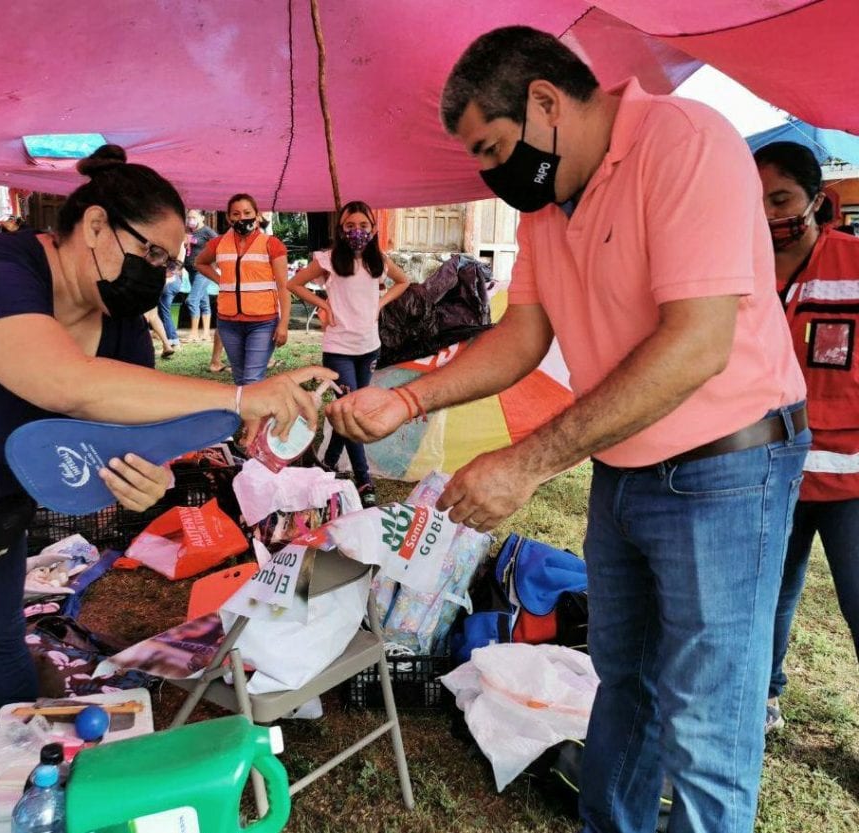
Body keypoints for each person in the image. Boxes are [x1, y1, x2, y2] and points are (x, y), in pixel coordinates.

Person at [328, 27, 807, 833]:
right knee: (624, 682)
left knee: (707, 722)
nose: (489, 172)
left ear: (546, 102)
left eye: (492, 147)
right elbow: (522, 334)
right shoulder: (550, 208)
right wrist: (407, 400)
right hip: (624, 467)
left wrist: (529, 462)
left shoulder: (686, 144)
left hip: (728, 467)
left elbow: (696, 343)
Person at [0, 144, 333, 833]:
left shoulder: (123, 329)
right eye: (153, 254)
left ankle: (30, 794)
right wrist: (242, 396)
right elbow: (64, 382)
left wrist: (141, 479)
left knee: (3, 649)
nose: (161, 274)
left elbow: (117, 435)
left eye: (171, 263)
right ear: (95, 225)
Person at [755, 141, 859, 732]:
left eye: (782, 198)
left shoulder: (852, 264)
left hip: (851, 482)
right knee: (767, 597)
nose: (769, 214)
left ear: (818, 199)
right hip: (767, 472)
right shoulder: (736, 270)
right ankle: (762, 700)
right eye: (756, 201)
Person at [288, 200, 409, 506]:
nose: (357, 231)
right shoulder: (328, 259)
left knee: (352, 407)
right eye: (350, 226)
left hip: (368, 346)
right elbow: (295, 283)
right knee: (353, 410)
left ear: (374, 229)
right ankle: (364, 479)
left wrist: (380, 304)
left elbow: (403, 281)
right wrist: (325, 306)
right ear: (341, 230)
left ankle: (328, 460)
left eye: (363, 226)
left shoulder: (377, 260)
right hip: (338, 347)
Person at [194, 194, 291, 385]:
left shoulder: (272, 244)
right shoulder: (219, 243)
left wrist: (284, 324)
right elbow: (200, 263)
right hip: (228, 323)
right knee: (240, 379)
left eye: (247, 212)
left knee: (252, 379)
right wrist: (221, 280)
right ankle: (247, 415)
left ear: (257, 215)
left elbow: (283, 287)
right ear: (229, 218)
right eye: (236, 214)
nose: (241, 218)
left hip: (263, 323)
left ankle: (255, 414)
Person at [182, 209, 219, 343]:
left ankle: (193, 333)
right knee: (203, 301)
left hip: (202, 271)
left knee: (192, 300)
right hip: (191, 270)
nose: (190, 220)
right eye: (189, 217)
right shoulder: (189, 232)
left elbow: (220, 243)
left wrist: (213, 262)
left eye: (193, 217)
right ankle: (206, 334)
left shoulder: (207, 231)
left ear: (202, 218)